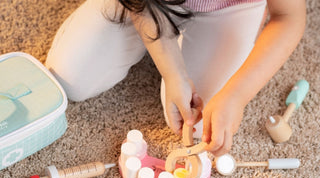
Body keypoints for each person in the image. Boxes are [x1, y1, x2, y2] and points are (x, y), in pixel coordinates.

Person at [46, 0, 306, 156]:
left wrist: (236, 95)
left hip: (231, 5)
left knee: (202, 127)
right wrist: (173, 72)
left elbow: (289, 17)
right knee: (70, 81)